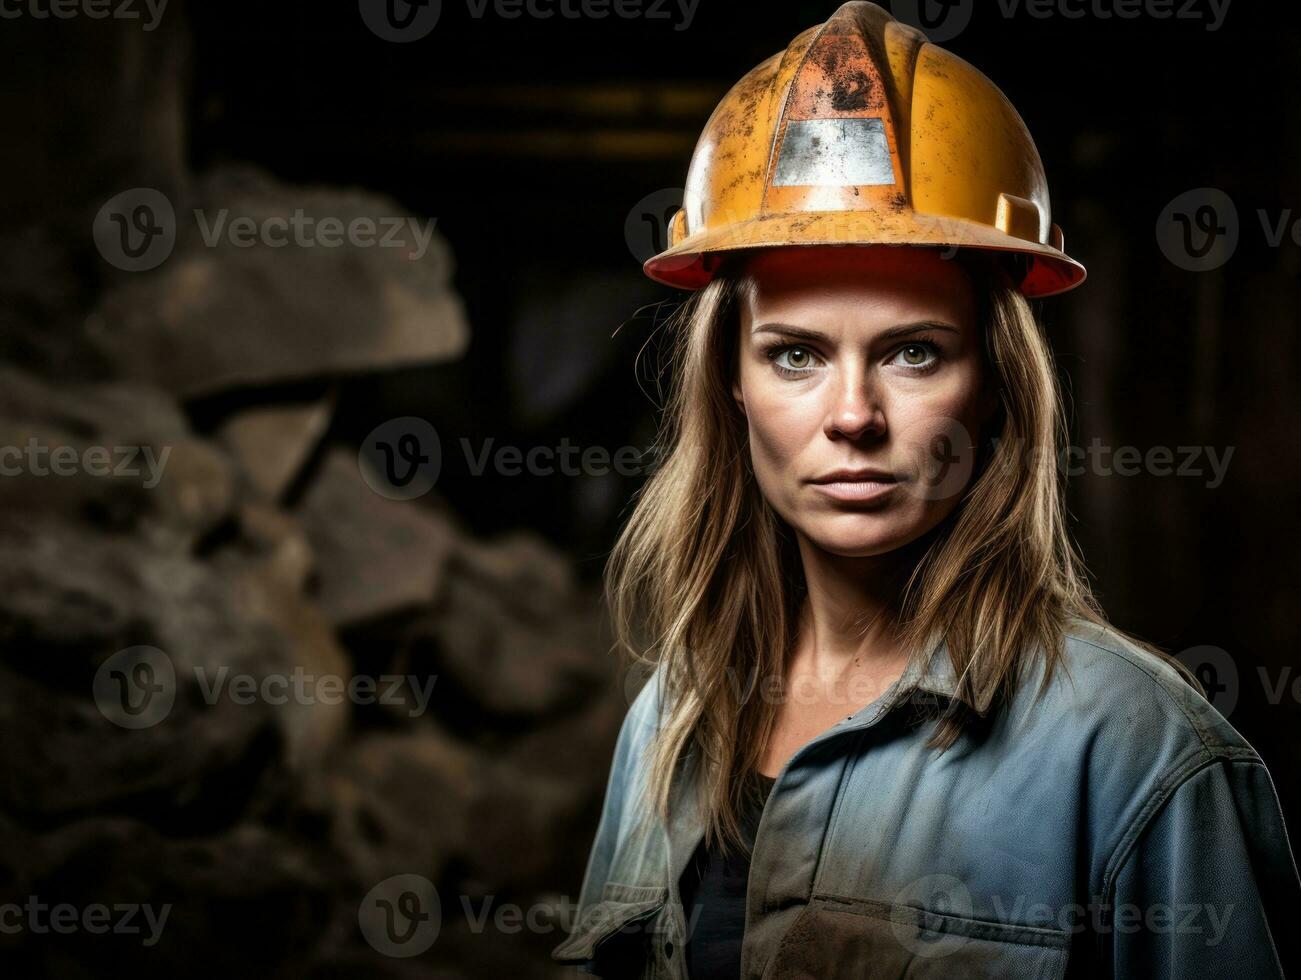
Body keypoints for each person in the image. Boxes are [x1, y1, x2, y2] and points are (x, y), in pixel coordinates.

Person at [552, 3, 1301, 977]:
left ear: (992, 386)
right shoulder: (675, 713)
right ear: (729, 385)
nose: (852, 415)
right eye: (794, 355)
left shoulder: (1138, 752)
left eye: (912, 352)